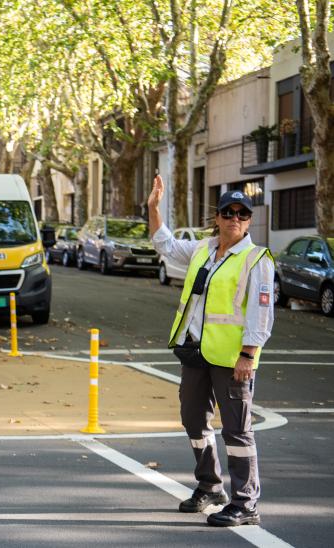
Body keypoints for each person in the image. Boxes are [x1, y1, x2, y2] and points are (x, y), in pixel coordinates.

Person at [148, 176, 275, 527]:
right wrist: (153, 209)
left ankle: (246, 503)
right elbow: (167, 245)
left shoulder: (255, 259)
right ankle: (210, 486)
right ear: (216, 217)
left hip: (233, 360)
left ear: (249, 220)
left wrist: (248, 355)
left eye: (242, 213)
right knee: (193, 419)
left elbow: (260, 313)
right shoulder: (203, 250)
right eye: (228, 212)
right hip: (196, 353)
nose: (235, 218)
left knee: (236, 431)